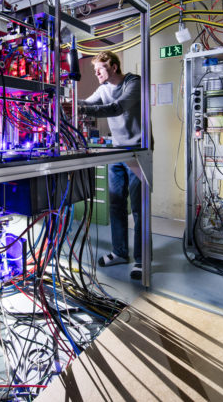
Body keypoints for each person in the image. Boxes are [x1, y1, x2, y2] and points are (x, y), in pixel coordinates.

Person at [78, 50, 146, 280]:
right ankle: (119, 252)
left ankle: (141, 259)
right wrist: (65, 103)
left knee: (139, 209)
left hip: (138, 151)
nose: (96, 73)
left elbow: (118, 107)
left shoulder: (133, 82)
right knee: (116, 205)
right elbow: (87, 104)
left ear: (113, 67)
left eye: (100, 68)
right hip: (115, 152)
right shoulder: (103, 88)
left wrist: (80, 108)